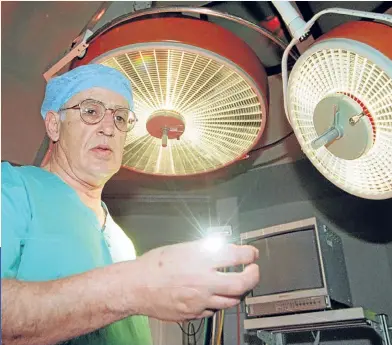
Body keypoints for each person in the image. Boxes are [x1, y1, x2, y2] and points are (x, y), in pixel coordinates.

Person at [1, 64, 260, 345]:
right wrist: (134, 287)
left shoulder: (122, 244)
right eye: (91, 111)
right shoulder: (13, 187)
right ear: (54, 124)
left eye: (121, 118)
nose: (108, 128)